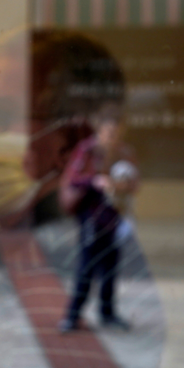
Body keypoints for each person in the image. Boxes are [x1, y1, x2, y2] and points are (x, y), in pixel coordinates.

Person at [58, 103, 137, 333]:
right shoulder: (87, 150)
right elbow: (73, 178)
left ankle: (107, 313)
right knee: (86, 268)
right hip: (91, 215)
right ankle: (72, 316)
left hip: (115, 216)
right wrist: (94, 181)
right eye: (108, 132)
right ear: (100, 130)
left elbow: (134, 183)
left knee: (111, 268)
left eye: (116, 132)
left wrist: (123, 184)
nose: (112, 137)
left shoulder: (124, 152)